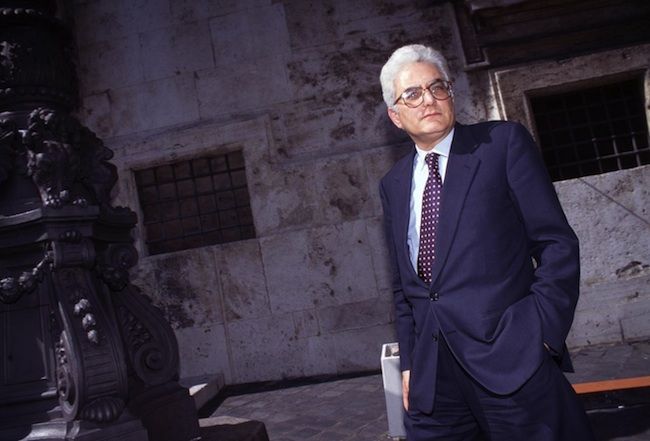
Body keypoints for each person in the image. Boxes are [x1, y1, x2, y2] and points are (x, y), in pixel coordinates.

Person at [378, 44, 595, 440]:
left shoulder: (501, 144)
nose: (428, 99)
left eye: (437, 87)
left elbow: (556, 243)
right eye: (412, 93)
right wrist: (409, 363)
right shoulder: (393, 184)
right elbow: (404, 286)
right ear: (395, 115)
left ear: (450, 94)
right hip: (433, 377)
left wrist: (541, 335)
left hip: (510, 361)